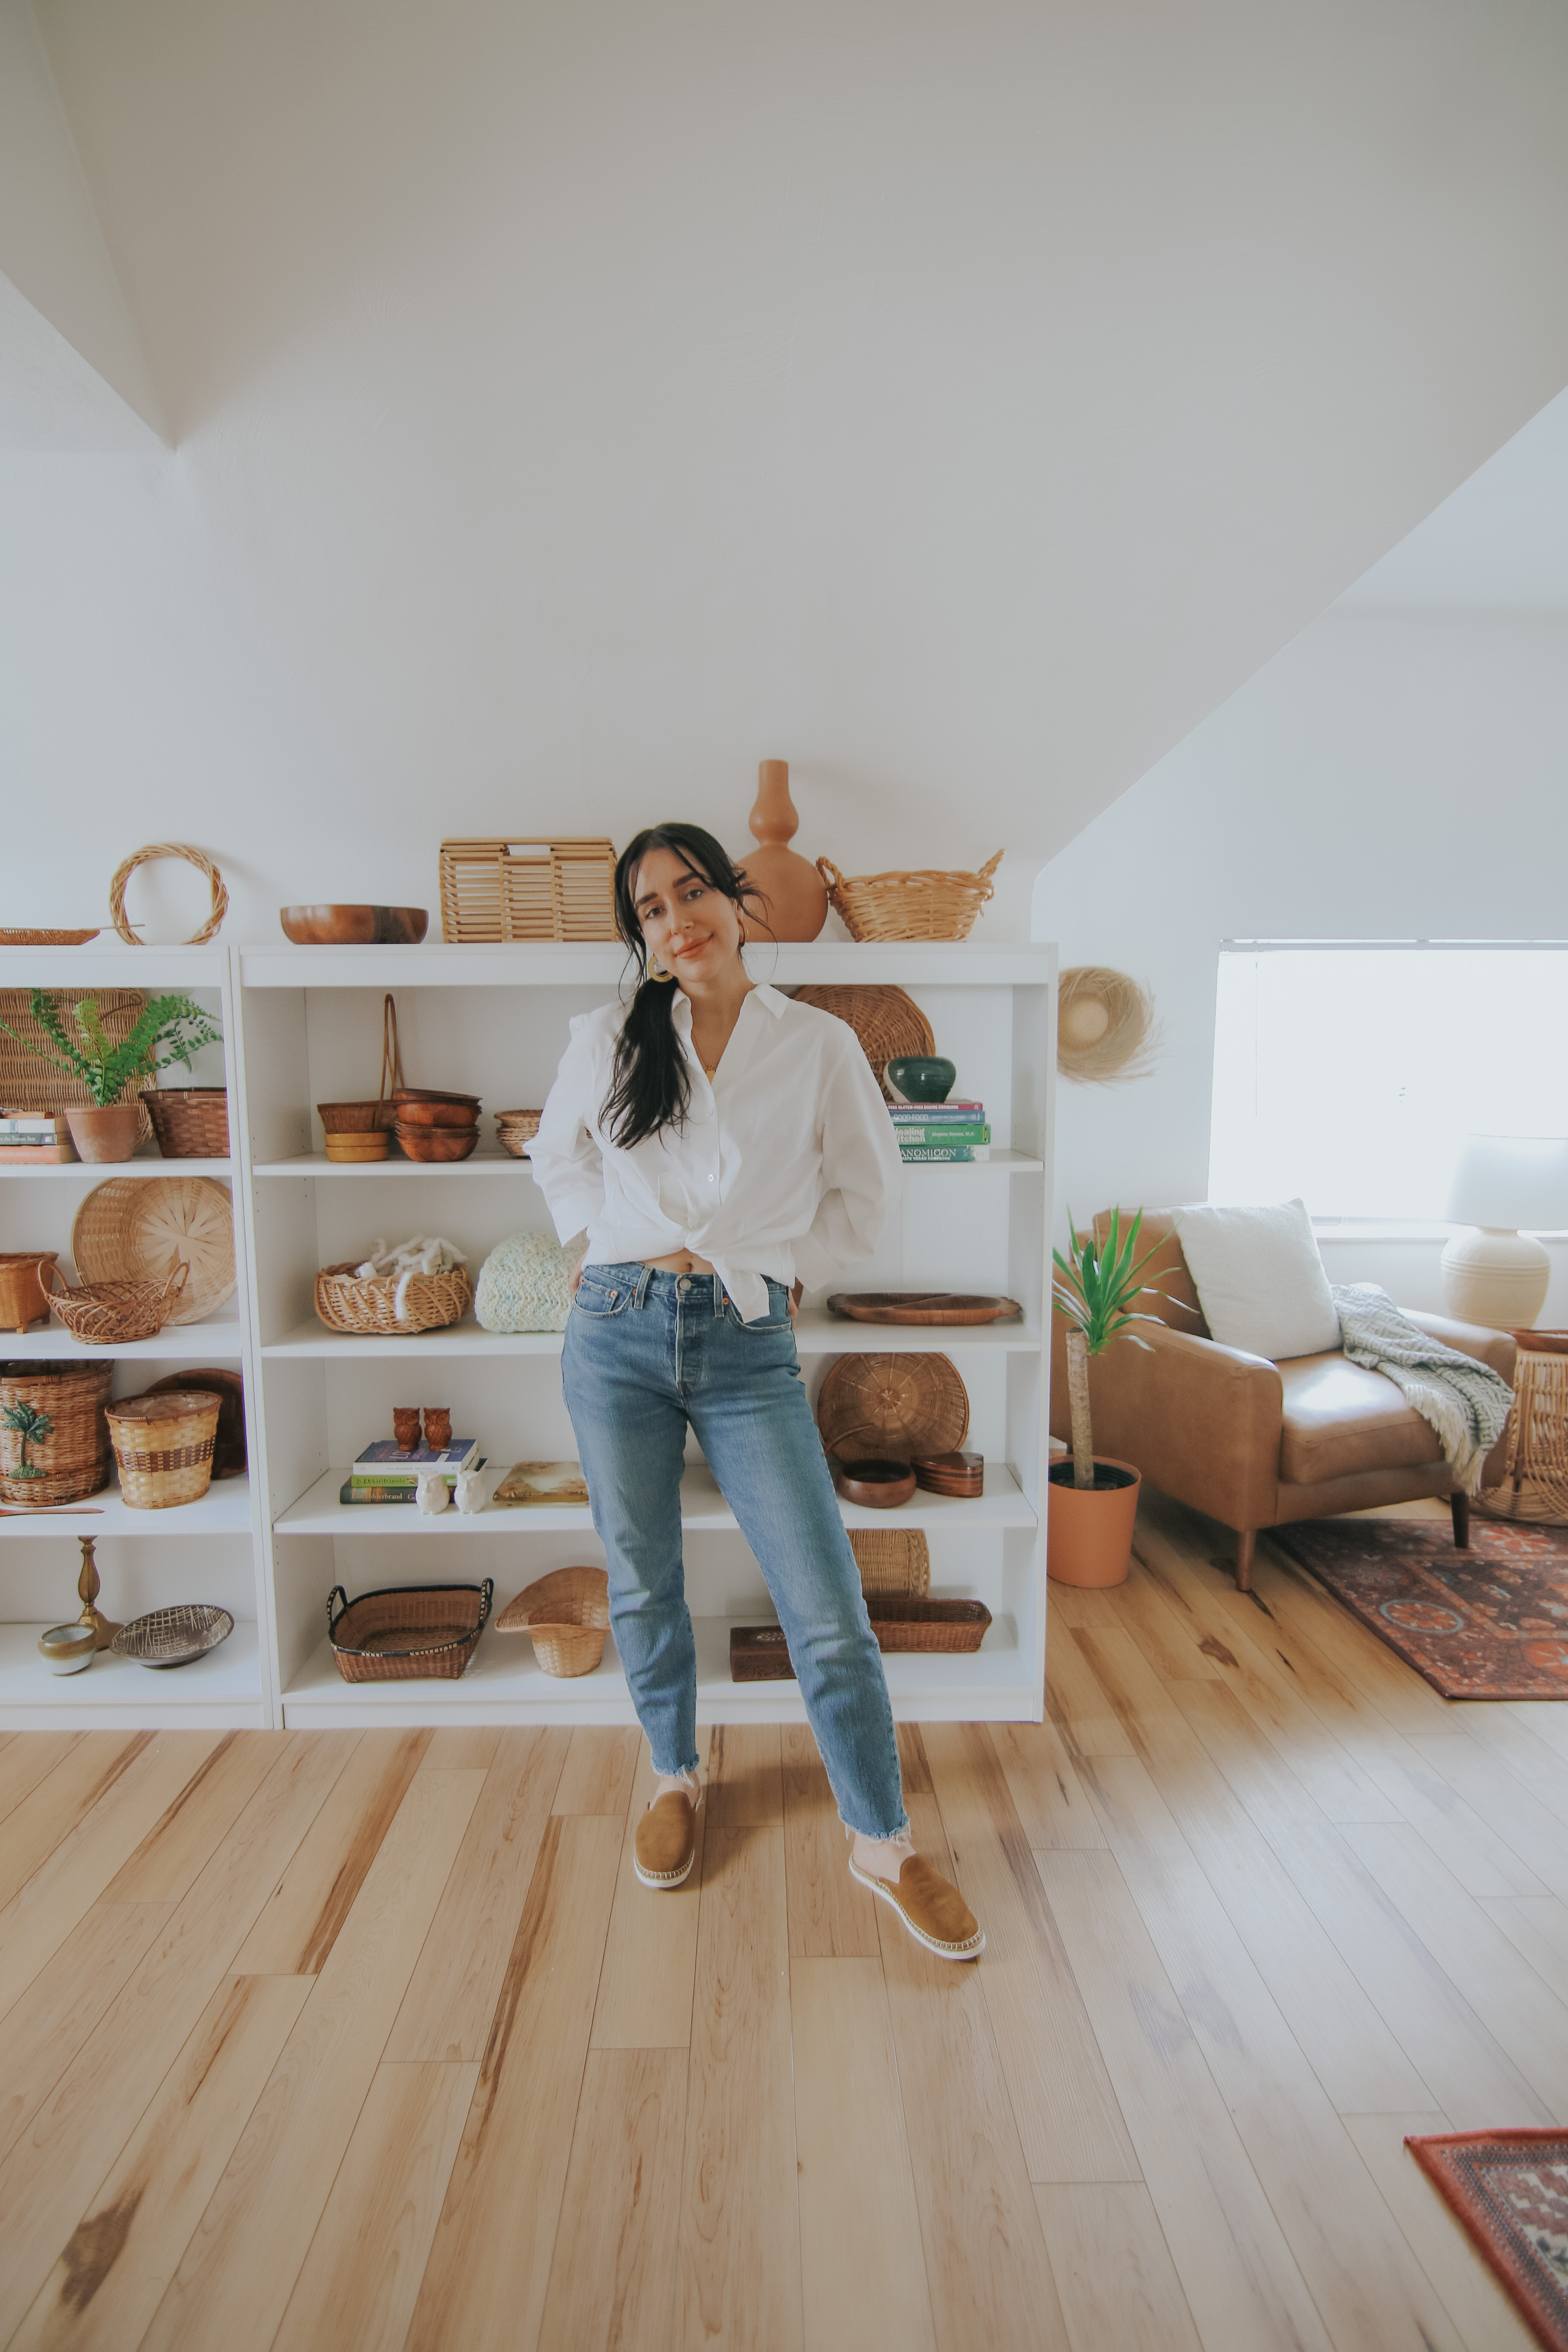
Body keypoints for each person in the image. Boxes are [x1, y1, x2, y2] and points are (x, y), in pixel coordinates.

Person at [529, 821, 983, 1960]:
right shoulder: (609, 1038)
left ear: (735, 901)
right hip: (616, 1336)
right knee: (642, 1582)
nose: (678, 920)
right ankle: (676, 1775)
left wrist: (775, 1276)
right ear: (640, 935)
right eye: (650, 909)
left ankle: (882, 1841)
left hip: (747, 1341)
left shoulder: (819, 1044)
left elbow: (865, 1199)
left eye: (693, 892)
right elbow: (556, 1156)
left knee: (826, 1607)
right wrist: (592, 1238)